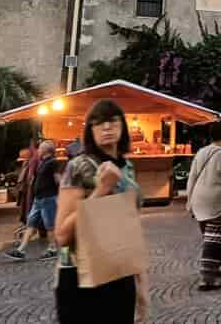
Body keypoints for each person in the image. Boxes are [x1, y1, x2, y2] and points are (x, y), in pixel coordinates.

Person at [54, 98, 149, 321]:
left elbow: (130, 231)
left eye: (113, 121)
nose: (107, 127)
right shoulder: (77, 167)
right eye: (99, 123)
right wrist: (101, 190)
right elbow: (62, 236)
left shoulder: (127, 167)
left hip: (119, 273)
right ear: (90, 130)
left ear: (123, 126)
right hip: (80, 277)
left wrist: (142, 286)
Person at [185, 122, 221, 291]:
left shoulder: (201, 152)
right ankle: (207, 279)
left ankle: (215, 264)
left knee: (209, 235)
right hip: (214, 200)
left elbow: (192, 176)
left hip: (198, 199)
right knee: (212, 238)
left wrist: (189, 198)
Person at [7, 140, 60, 261]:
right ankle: (20, 250)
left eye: (40, 149)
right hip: (39, 199)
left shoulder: (53, 162)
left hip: (48, 198)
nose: (38, 151)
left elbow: (58, 179)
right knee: (31, 224)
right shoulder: (43, 162)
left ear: (46, 150)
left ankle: (53, 249)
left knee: (50, 226)